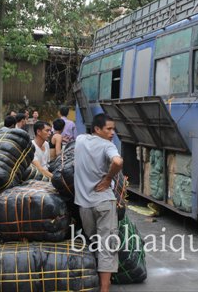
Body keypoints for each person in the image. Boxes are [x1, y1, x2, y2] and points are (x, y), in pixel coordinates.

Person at [73, 113, 124, 292]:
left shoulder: (80, 140)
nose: (112, 133)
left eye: (113, 129)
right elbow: (118, 162)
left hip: (84, 205)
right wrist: (108, 178)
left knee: (94, 242)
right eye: (108, 129)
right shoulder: (107, 146)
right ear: (97, 129)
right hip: (104, 202)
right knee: (107, 246)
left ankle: (96, 282)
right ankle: (104, 289)